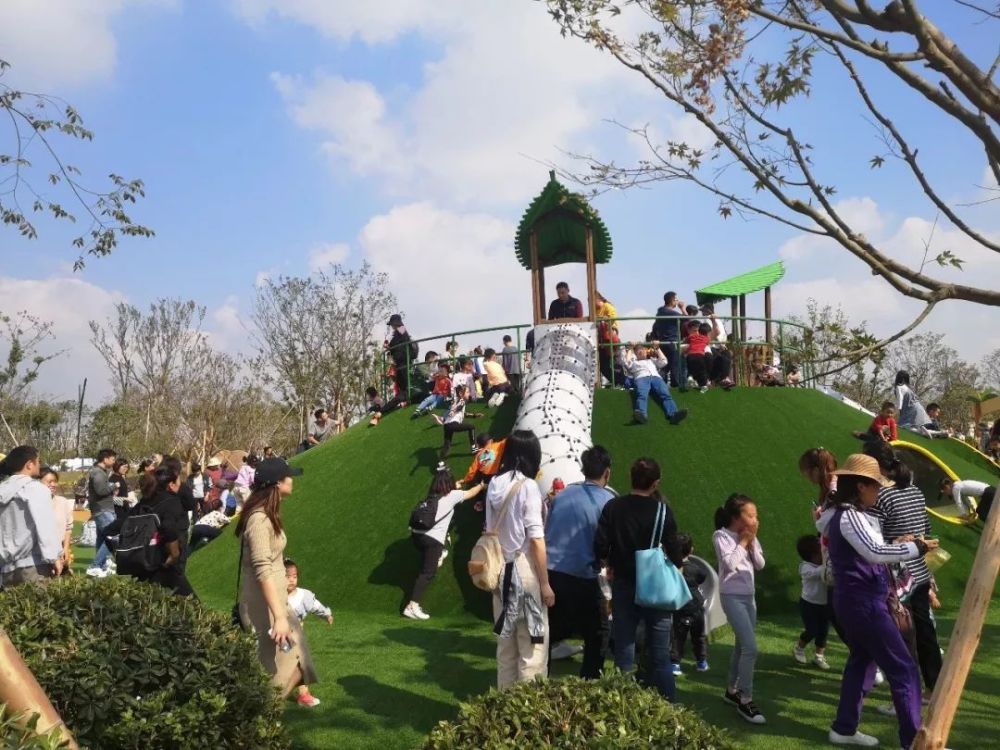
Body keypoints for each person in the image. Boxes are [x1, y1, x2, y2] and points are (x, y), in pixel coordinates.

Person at [818, 454, 936, 749]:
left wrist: (900, 546)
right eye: (876, 486)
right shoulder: (849, 515)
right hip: (864, 603)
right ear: (860, 486)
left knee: (862, 661)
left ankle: (844, 728)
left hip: (858, 601)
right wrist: (916, 547)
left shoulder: (845, 514)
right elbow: (874, 552)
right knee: (903, 668)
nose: (879, 491)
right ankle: (912, 741)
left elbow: (874, 549)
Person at [594, 457, 682, 700]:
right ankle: (671, 710)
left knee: (624, 651)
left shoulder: (614, 507)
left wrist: (608, 560)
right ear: (656, 483)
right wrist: (677, 564)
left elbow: (600, 544)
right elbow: (674, 549)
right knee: (660, 656)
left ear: (630, 478)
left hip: (623, 584)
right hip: (655, 587)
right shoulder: (662, 511)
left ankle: (622, 706)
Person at [236, 457, 321, 706]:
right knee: (276, 667)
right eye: (288, 476)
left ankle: (265, 712)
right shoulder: (259, 519)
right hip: (264, 605)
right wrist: (279, 616)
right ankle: (259, 718)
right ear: (276, 484)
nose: (292, 480)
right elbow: (262, 569)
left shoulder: (267, 514)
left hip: (276, 602)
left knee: (298, 657)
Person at [484, 430, 553, 688]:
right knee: (532, 650)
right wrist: (545, 583)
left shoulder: (494, 483)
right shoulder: (529, 486)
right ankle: (528, 715)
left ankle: (504, 712)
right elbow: (536, 538)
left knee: (506, 649)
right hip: (525, 574)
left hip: (500, 570)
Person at [870, 460, 942, 701]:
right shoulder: (916, 492)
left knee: (901, 637)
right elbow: (927, 530)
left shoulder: (880, 498)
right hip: (920, 571)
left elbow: (874, 543)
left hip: (897, 576)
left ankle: (906, 694)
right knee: (925, 632)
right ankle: (934, 687)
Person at [544, 445, 615, 679]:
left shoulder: (561, 496)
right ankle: (589, 682)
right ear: (607, 472)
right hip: (583, 575)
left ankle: (537, 676)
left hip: (552, 573)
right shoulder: (609, 500)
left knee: (551, 630)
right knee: (599, 632)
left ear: (583, 469)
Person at [404, 464, 485, 621]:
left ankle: (438, 555)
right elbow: (470, 493)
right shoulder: (453, 495)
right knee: (428, 573)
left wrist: (455, 487)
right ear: (450, 483)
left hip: (416, 536)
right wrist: (481, 485)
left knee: (433, 557)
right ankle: (411, 606)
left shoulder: (433, 496)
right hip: (432, 541)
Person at [713, 493, 767, 724]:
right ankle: (745, 700)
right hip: (731, 596)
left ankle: (731, 690)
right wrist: (744, 541)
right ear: (736, 517)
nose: (756, 519)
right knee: (750, 648)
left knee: (741, 645)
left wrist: (752, 542)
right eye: (751, 515)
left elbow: (761, 564)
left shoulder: (750, 537)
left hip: (748, 597)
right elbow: (730, 564)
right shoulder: (721, 536)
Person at [125, 465, 196, 597]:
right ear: (171, 484)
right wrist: (174, 554)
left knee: (146, 595)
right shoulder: (170, 501)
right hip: (161, 558)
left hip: (144, 558)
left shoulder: (144, 502)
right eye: (178, 481)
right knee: (189, 599)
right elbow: (168, 528)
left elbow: (124, 523)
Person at [0, 446, 63, 587]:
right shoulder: (36, 489)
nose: (40, 465)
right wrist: (55, 557)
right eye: (38, 461)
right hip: (33, 567)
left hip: (6, 570)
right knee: (40, 608)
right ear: (29, 464)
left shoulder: (2, 489)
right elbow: (45, 525)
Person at [283, 558, 333, 707]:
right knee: (279, 665)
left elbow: (315, 606)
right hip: (279, 638)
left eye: (294, 576)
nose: (291, 580)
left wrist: (326, 614)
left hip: (297, 639)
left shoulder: (303, 596)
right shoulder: (276, 596)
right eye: (287, 576)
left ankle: (303, 695)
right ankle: (273, 691)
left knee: (299, 664)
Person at [670, 533, 709, 676]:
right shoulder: (695, 569)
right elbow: (703, 577)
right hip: (697, 607)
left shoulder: (672, 569)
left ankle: (675, 663)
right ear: (691, 550)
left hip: (680, 607)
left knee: (678, 637)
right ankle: (701, 662)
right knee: (698, 636)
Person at [793, 534, 831, 670]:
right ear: (812, 556)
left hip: (824, 604)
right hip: (809, 604)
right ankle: (799, 648)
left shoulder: (823, 564)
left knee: (823, 632)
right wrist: (829, 562)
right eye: (821, 553)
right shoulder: (805, 567)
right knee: (812, 630)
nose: (823, 556)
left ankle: (819, 656)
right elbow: (819, 573)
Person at [627, 344, 688, 426]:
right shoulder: (634, 362)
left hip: (656, 377)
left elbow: (664, 361)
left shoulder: (652, 360)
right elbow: (627, 363)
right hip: (641, 378)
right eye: (638, 350)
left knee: (665, 394)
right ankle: (641, 415)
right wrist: (630, 349)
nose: (641, 351)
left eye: (642, 349)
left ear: (646, 351)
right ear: (635, 353)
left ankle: (674, 414)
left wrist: (657, 348)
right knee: (642, 395)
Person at [86, 448, 118, 577]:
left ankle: (101, 565)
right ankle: (95, 565)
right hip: (103, 510)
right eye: (112, 459)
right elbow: (100, 490)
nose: (114, 461)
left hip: (102, 509)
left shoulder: (100, 472)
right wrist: (113, 486)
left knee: (102, 538)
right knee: (114, 537)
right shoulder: (98, 473)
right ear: (105, 459)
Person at [432, 384, 481, 459]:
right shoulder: (461, 401)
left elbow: (463, 414)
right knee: (471, 427)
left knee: (447, 445)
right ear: (461, 394)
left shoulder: (458, 401)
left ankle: (441, 464)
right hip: (453, 424)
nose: (469, 393)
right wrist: (452, 412)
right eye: (467, 392)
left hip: (447, 426)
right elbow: (457, 408)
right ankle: (474, 448)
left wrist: (474, 415)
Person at [40, 467, 74, 573]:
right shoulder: (34, 504)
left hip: (60, 553)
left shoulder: (62, 502)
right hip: (41, 556)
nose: (53, 485)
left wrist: (66, 549)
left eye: (55, 481)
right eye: (49, 482)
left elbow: (68, 528)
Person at [652, 291, 685, 388]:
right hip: (672, 342)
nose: (677, 301)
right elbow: (687, 319)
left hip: (663, 343)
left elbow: (655, 328)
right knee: (674, 366)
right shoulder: (670, 312)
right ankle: (676, 386)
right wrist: (682, 308)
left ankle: (661, 386)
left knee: (664, 367)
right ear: (672, 300)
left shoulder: (659, 313)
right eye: (676, 299)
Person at [685, 315, 723, 391]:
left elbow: (716, 332)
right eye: (694, 331)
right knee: (697, 368)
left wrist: (713, 320)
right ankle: (699, 382)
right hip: (698, 356)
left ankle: (699, 380)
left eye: (697, 331)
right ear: (688, 330)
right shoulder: (701, 338)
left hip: (696, 356)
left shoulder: (701, 337)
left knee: (698, 368)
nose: (696, 333)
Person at [386, 313, 417, 400]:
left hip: (403, 359)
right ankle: (403, 395)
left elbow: (404, 340)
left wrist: (391, 346)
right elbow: (394, 344)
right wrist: (390, 347)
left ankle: (406, 396)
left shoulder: (401, 329)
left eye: (392, 323)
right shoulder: (397, 332)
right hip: (399, 360)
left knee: (404, 378)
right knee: (400, 379)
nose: (392, 325)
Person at [595, 291, 620, 385]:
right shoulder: (595, 311)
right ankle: (616, 382)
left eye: (591, 301)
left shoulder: (607, 306)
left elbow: (612, 319)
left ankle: (622, 381)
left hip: (611, 339)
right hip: (602, 341)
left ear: (598, 299)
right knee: (604, 367)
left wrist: (603, 320)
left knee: (616, 364)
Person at [110, 458, 134, 523]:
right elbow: (111, 499)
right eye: (124, 467)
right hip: (117, 511)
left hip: (125, 509)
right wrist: (125, 499)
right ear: (117, 466)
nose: (125, 469)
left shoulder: (121, 478)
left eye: (127, 467)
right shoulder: (113, 479)